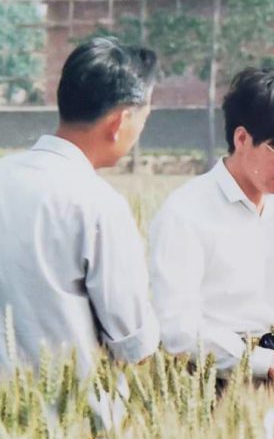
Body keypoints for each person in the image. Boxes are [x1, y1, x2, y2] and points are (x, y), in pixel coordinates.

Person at [149, 69, 274, 382]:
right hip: (207, 384)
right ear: (241, 138)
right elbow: (177, 327)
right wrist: (259, 363)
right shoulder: (185, 211)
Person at [0, 37, 160, 380]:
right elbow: (134, 344)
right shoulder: (99, 204)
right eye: (142, 121)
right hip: (71, 422)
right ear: (120, 122)